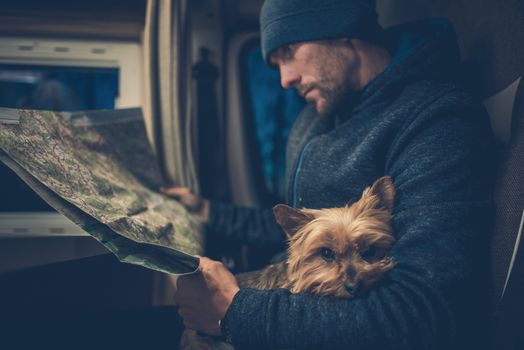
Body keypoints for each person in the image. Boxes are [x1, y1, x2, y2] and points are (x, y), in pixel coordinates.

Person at [164, 0, 495, 348]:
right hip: (282, 298)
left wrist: (234, 312)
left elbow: (421, 314)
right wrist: (206, 211)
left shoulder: (434, 119)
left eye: (289, 52)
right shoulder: (313, 120)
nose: (285, 79)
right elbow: (293, 226)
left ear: (342, 28)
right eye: (276, 65)